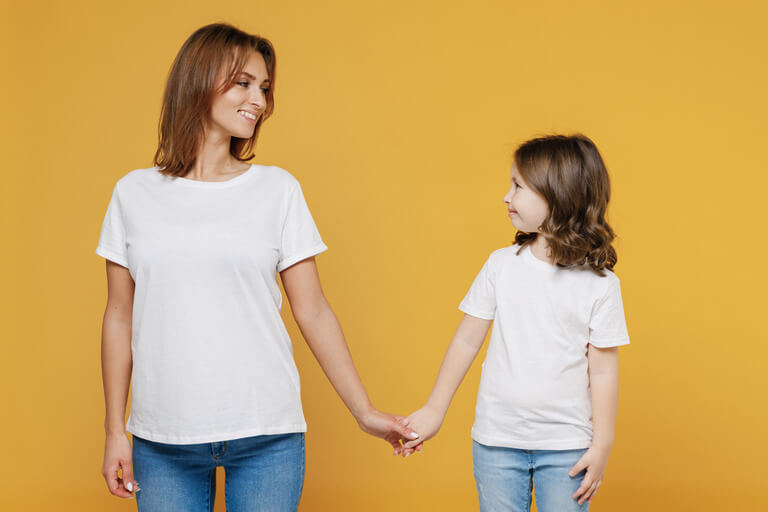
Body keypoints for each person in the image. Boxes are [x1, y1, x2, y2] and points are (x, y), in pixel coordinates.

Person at [96, 23, 417, 512]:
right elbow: (118, 317)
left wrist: (364, 411)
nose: (260, 101)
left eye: (264, 88)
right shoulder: (133, 194)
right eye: (244, 83)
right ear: (200, 81)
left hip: (267, 436)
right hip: (162, 441)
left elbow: (313, 311)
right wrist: (114, 431)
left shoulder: (277, 190)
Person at [401, 134, 631, 511]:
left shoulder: (601, 285)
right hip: (496, 444)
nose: (506, 196)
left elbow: (603, 370)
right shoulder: (500, 265)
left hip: (566, 448)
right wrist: (433, 410)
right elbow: (466, 342)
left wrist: (601, 446)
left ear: (558, 195)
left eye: (518, 186)